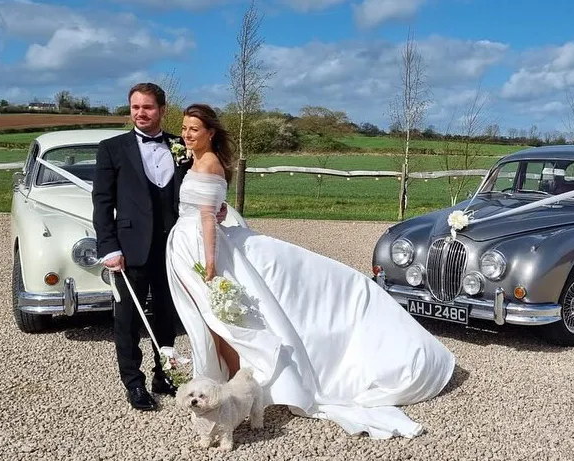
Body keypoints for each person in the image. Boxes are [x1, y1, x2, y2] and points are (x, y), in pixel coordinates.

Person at [165, 103, 456, 439]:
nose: (187, 134)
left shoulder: (211, 164)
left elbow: (206, 218)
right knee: (210, 319)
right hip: (187, 243)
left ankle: (235, 389)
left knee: (228, 319)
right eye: (185, 128)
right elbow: (211, 208)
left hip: (202, 248)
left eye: (194, 129)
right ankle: (221, 384)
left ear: (210, 133)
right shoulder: (194, 159)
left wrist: (212, 265)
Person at [91, 83, 226, 411]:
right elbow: (102, 201)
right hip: (128, 248)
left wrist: (217, 207)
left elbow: (202, 186)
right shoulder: (112, 148)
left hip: (173, 247)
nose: (141, 113)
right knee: (127, 319)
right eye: (135, 107)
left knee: (167, 314)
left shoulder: (182, 146)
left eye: (148, 107)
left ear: (162, 110)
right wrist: (108, 246)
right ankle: (133, 383)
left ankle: (164, 373)